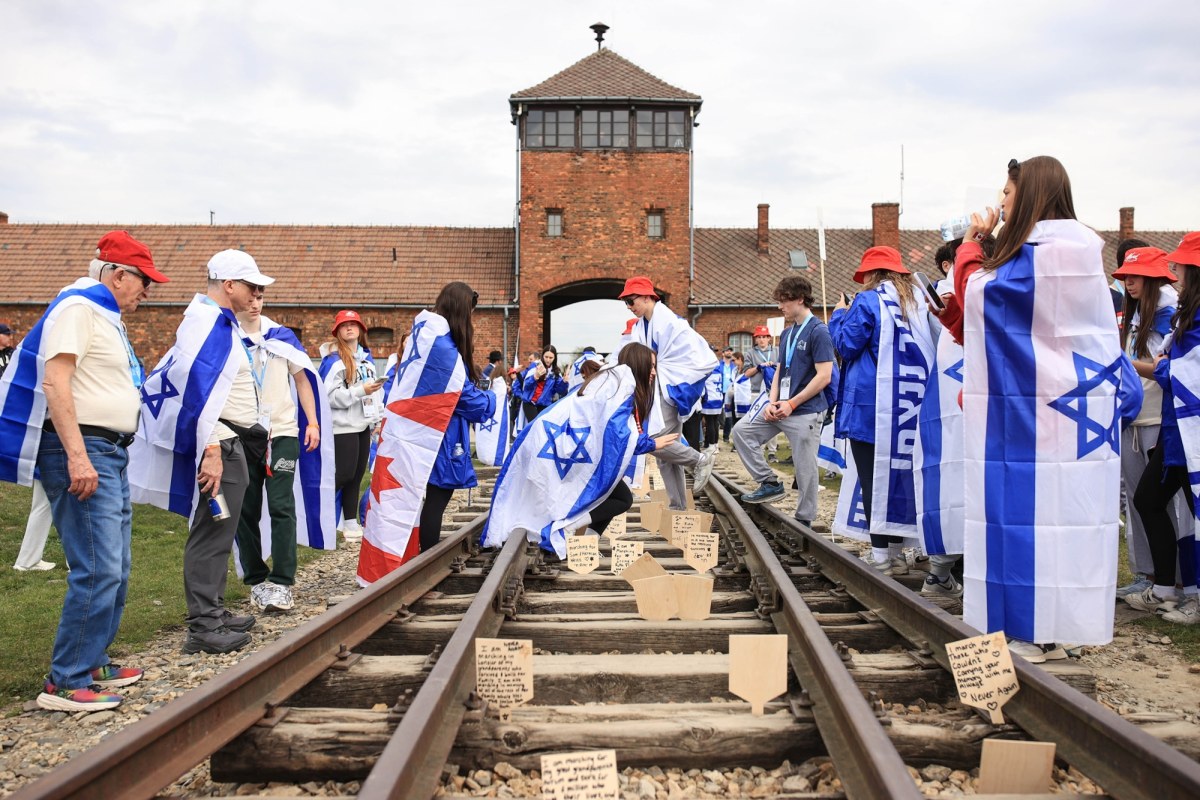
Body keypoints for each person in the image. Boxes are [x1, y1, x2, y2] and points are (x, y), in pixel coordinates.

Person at [944, 156, 1140, 661]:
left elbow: (978, 295)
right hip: (1070, 413)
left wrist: (972, 242)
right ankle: (1053, 628)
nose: (1001, 203)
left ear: (1029, 194)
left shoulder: (1040, 253)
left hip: (1031, 418)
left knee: (1019, 522)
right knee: (1063, 523)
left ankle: (1030, 630)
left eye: (1007, 194)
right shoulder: (1080, 251)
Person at [0, 230, 167, 710]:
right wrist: (77, 455)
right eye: (143, 280)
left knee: (117, 565)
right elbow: (56, 381)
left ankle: (92, 660)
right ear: (116, 274)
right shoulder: (79, 308)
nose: (147, 290)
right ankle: (66, 679)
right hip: (84, 447)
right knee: (98, 566)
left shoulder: (104, 315)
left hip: (109, 448)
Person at [132, 249, 279, 655]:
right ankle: (204, 625)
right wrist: (211, 448)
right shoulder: (209, 323)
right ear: (229, 285)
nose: (257, 295)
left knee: (221, 530)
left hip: (230, 442)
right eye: (252, 286)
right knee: (213, 531)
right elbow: (198, 392)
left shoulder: (216, 321)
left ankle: (213, 609)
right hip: (221, 444)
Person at [357, 282, 496, 584]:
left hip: (420, 431)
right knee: (436, 497)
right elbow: (466, 400)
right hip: (435, 435)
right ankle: (428, 567)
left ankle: (419, 563)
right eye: (470, 313)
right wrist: (492, 399)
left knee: (423, 498)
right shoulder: (443, 348)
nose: (471, 320)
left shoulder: (425, 338)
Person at [482, 343, 678, 556]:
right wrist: (651, 444)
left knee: (616, 495)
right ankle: (566, 527)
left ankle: (586, 543)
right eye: (651, 366)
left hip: (563, 444)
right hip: (564, 449)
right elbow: (616, 433)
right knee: (618, 498)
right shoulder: (621, 386)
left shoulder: (613, 379)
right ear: (638, 364)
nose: (653, 372)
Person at [830, 246, 935, 573]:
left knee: (872, 480)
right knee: (899, 479)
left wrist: (838, 315)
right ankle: (899, 554)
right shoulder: (915, 303)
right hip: (908, 405)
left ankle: (881, 558)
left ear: (872, 274)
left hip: (868, 406)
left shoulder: (868, 301)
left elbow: (846, 345)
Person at [233, 295, 333, 614]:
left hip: (282, 433)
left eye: (259, 297)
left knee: (281, 505)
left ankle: (282, 580)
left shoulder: (281, 337)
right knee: (245, 508)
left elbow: (302, 380)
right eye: (249, 297)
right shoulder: (228, 336)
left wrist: (312, 422)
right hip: (243, 433)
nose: (254, 304)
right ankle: (256, 579)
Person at [1126, 233, 1200, 625]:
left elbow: (1181, 371)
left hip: (1188, 429)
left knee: (1189, 512)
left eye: (1181, 265)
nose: (1175, 271)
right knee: (1148, 500)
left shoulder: (1183, 314)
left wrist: (1160, 365)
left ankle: (1189, 593)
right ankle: (1167, 588)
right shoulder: (1185, 312)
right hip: (1177, 430)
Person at [1110, 245, 1187, 602]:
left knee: (1162, 503)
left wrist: (1121, 362)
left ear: (1155, 279)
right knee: (1139, 501)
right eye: (1126, 275)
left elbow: (1164, 371)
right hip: (1133, 417)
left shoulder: (1169, 313)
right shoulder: (1138, 313)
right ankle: (1148, 575)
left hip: (1160, 419)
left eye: (1136, 275)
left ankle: (1177, 579)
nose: (1129, 282)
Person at [734, 275, 835, 527]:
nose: (780, 306)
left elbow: (824, 376)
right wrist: (772, 401)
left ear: (800, 299)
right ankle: (768, 482)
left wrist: (793, 403)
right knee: (741, 431)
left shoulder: (819, 331)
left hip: (805, 410)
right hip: (781, 406)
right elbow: (780, 369)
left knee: (805, 467)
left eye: (784, 301)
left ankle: (804, 520)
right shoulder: (788, 333)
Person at [619, 276, 717, 509]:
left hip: (669, 389)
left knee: (655, 440)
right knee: (666, 456)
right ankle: (678, 506)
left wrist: (674, 378)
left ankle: (699, 459)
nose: (629, 307)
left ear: (646, 297)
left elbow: (695, 355)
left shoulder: (670, 323)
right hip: (660, 390)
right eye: (626, 303)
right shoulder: (644, 325)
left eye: (631, 301)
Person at [319, 310, 384, 542]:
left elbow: (375, 394)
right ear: (337, 331)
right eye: (344, 325)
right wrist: (359, 391)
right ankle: (317, 513)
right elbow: (328, 397)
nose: (349, 328)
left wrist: (378, 419)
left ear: (361, 329)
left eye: (353, 324)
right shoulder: (333, 361)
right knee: (344, 474)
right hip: (342, 426)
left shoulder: (367, 360)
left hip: (363, 425)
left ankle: (350, 522)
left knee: (356, 476)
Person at [744, 325, 780, 461]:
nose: (761, 340)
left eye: (764, 337)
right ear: (756, 339)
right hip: (757, 392)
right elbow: (746, 373)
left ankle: (772, 451)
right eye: (759, 337)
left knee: (773, 420)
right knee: (757, 421)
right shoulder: (750, 353)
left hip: (773, 392)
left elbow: (784, 368)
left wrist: (774, 365)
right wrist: (758, 367)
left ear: (769, 338)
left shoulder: (777, 351)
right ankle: (758, 450)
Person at [522, 345, 566, 423]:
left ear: (554, 358)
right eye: (546, 357)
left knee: (542, 426)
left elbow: (561, 391)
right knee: (534, 425)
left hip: (544, 404)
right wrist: (535, 377)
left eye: (551, 358)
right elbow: (526, 385)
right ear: (542, 356)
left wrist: (564, 382)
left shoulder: (556, 372)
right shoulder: (535, 365)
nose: (548, 360)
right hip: (530, 403)